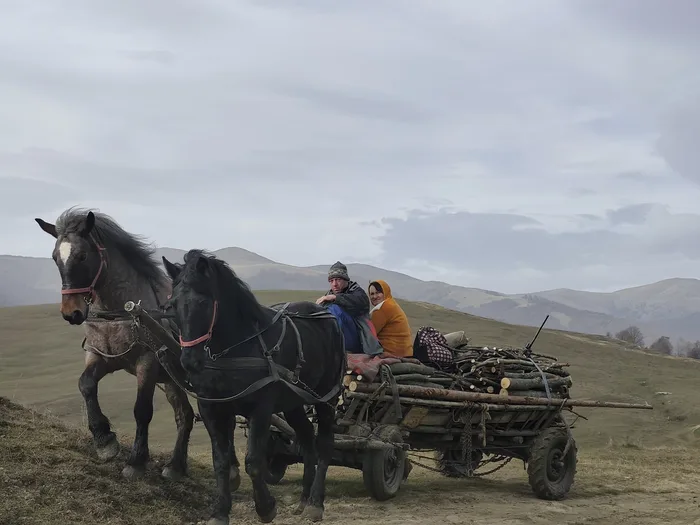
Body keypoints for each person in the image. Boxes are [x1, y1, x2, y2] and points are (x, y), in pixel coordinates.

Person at [316, 261, 382, 355]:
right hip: (335, 339)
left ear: (346, 279)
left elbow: (360, 302)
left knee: (335, 309)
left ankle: (338, 349)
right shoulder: (328, 296)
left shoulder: (357, 292)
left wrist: (335, 298)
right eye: (331, 281)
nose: (334, 284)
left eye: (338, 280)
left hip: (359, 340)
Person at [368, 280, 413, 357]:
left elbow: (370, 334)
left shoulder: (383, 308)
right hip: (406, 351)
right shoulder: (391, 303)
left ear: (385, 292)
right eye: (372, 294)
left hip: (393, 352)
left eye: (378, 292)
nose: (375, 296)